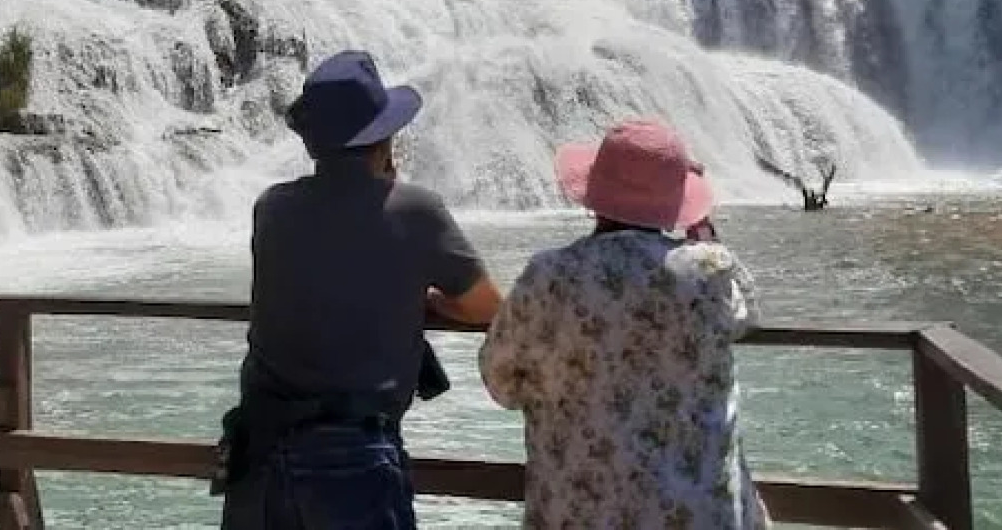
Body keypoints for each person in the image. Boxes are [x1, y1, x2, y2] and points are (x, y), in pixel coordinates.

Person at [219, 50, 504, 530]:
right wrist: (425, 300)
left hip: (260, 452)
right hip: (355, 458)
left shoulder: (272, 208)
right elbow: (486, 307)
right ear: (384, 140)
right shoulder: (416, 211)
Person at [478, 119, 768, 530]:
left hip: (580, 512)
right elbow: (746, 313)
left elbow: (500, 381)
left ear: (595, 197)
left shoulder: (549, 277)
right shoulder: (710, 271)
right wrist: (701, 231)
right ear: (675, 203)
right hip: (697, 514)